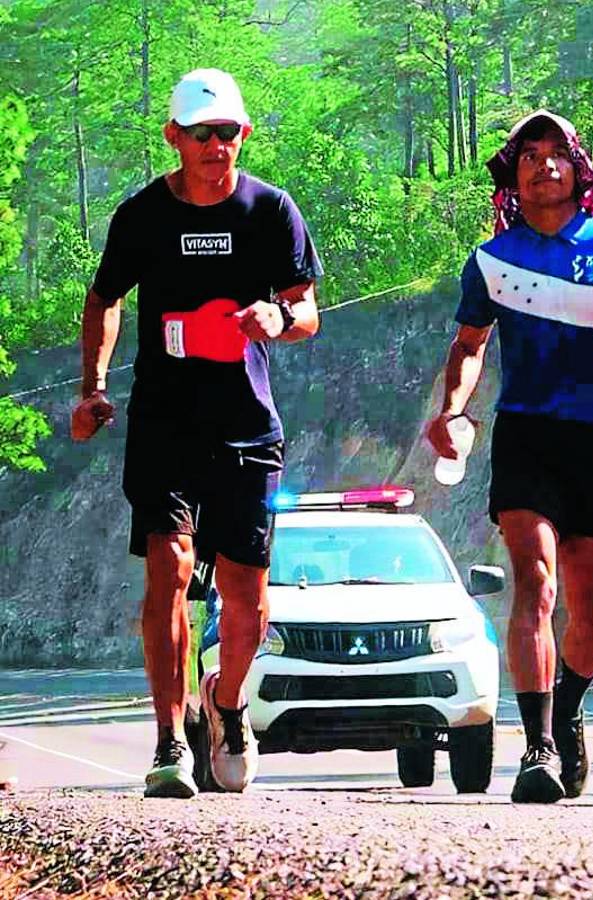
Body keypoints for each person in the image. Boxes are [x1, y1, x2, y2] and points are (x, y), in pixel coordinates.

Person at [71, 68, 322, 798]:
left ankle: (228, 702)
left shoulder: (272, 211)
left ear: (243, 135)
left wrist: (278, 318)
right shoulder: (142, 216)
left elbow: (306, 312)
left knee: (245, 597)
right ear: (174, 138)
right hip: (164, 424)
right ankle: (168, 741)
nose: (219, 145)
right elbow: (104, 299)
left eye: (231, 132)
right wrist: (93, 387)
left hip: (246, 423)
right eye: (204, 134)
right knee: (170, 571)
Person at [426, 110, 593, 803]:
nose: (543, 165)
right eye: (529, 155)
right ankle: (538, 747)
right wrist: (452, 410)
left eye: (556, 154)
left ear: (578, 168)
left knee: (592, 609)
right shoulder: (493, 259)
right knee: (535, 582)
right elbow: (470, 346)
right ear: (513, 176)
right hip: (527, 432)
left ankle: (571, 703)